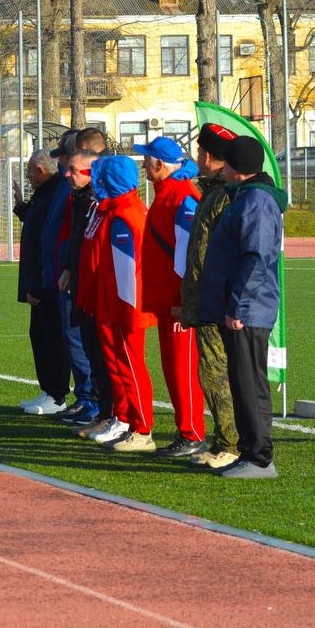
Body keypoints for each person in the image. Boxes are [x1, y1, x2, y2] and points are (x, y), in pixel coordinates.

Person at [199, 135, 286, 479]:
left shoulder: (256, 201)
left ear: (235, 167)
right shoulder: (246, 197)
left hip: (248, 309)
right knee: (241, 381)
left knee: (249, 383)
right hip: (240, 307)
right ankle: (251, 451)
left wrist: (239, 305)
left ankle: (260, 457)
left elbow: (256, 256)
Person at [77, 155, 157, 452]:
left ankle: (141, 426)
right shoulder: (111, 210)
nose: (96, 182)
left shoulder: (128, 213)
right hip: (108, 301)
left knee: (130, 365)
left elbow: (132, 267)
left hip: (124, 306)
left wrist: (126, 309)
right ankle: (123, 417)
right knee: (115, 363)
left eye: (101, 177)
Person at [133, 136, 206, 459]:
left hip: (179, 302)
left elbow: (189, 253)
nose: (145, 165)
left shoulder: (182, 197)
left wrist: (182, 298)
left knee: (183, 368)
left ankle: (192, 433)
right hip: (167, 300)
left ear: (160, 164)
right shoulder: (169, 194)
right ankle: (185, 430)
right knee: (172, 367)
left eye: (147, 160)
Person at [179, 124, 242, 470]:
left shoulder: (227, 194)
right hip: (207, 298)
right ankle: (224, 438)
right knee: (211, 371)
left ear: (206, 155)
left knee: (218, 373)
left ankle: (231, 443)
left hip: (218, 300)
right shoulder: (214, 192)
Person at [59, 144, 112, 430]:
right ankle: (97, 406)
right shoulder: (82, 201)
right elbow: (78, 240)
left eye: (72, 170)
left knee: (98, 353)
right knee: (84, 345)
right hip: (81, 284)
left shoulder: (100, 205)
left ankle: (100, 407)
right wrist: (69, 267)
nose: (67, 174)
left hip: (98, 293)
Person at [13, 150, 69, 414]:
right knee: (39, 336)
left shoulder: (53, 194)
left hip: (47, 282)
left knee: (52, 338)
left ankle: (57, 396)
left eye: (29, 171)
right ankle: (48, 390)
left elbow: (47, 243)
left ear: (41, 171)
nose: (27, 176)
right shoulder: (45, 194)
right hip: (40, 279)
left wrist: (36, 284)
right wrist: (21, 207)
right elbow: (36, 227)